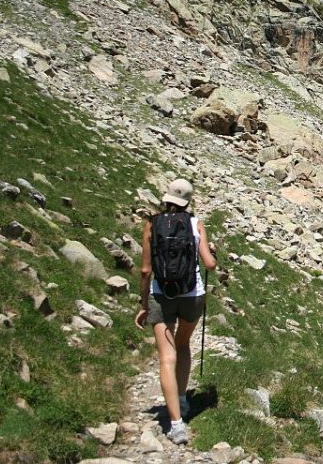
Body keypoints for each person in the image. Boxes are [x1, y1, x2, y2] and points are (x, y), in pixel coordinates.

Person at [135, 178, 216, 445]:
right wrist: (211, 251)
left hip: (162, 295)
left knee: (165, 357)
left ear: (166, 197)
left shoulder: (151, 224)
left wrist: (143, 303)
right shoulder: (196, 224)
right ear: (188, 201)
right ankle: (182, 399)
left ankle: (176, 424)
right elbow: (210, 264)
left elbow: (146, 270)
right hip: (193, 294)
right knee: (183, 344)